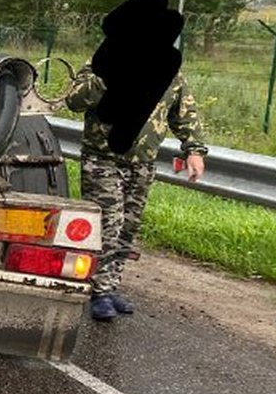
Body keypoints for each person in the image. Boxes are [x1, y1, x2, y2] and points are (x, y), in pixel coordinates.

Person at [65, 61, 207, 321]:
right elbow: (74, 101)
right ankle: (99, 292)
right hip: (102, 160)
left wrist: (194, 150)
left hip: (142, 163)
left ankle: (111, 284)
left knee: (127, 227)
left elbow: (184, 113)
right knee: (108, 224)